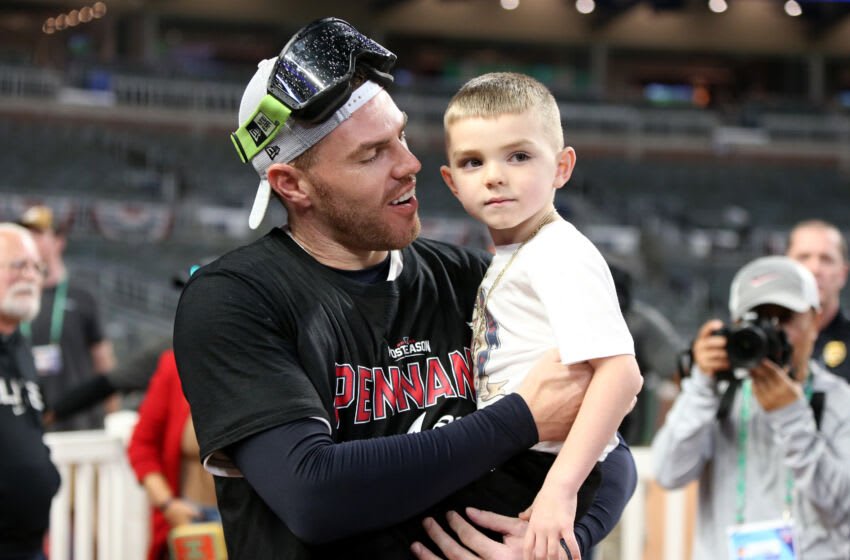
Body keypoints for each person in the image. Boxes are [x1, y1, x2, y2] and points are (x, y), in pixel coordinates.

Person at [174, 17, 636, 560]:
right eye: (372, 154)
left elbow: (611, 449)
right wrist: (521, 418)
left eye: (401, 136)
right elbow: (313, 495)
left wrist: (562, 544)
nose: (411, 165)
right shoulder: (236, 300)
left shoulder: (467, 278)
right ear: (292, 185)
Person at [437, 72, 642, 559]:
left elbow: (620, 375)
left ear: (562, 167)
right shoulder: (516, 254)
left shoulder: (558, 252)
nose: (494, 175)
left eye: (519, 156)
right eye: (472, 161)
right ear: (451, 182)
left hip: (548, 470)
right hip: (522, 461)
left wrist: (560, 489)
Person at [651, 255, 850, 559]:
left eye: (784, 318)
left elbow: (842, 508)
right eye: (756, 319)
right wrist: (702, 386)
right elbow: (668, 473)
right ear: (735, 326)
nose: (771, 334)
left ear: (815, 319)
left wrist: (792, 417)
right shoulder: (719, 396)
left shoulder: (839, 400)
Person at [18, 205, 117, 431]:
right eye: (27, 234)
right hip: (28, 423)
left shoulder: (83, 297)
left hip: (81, 423)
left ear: (58, 242)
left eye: (39, 233)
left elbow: (103, 361)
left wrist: (113, 413)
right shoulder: (15, 297)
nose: (31, 240)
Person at [0, 223, 61, 560]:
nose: (30, 276)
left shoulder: (20, 347)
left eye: (36, 267)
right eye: (17, 265)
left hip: (30, 545)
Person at [128, 349, 219, 560]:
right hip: (189, 518)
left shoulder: (262, 363)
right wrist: (167, 504)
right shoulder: (175, 366)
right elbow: (142, 444)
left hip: (246, 523)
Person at [786, 219, 850, 383]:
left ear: (843, 274)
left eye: (826, 259)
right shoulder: (758, 339)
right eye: (803, 257)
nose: (815, 269)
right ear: (784, 267)